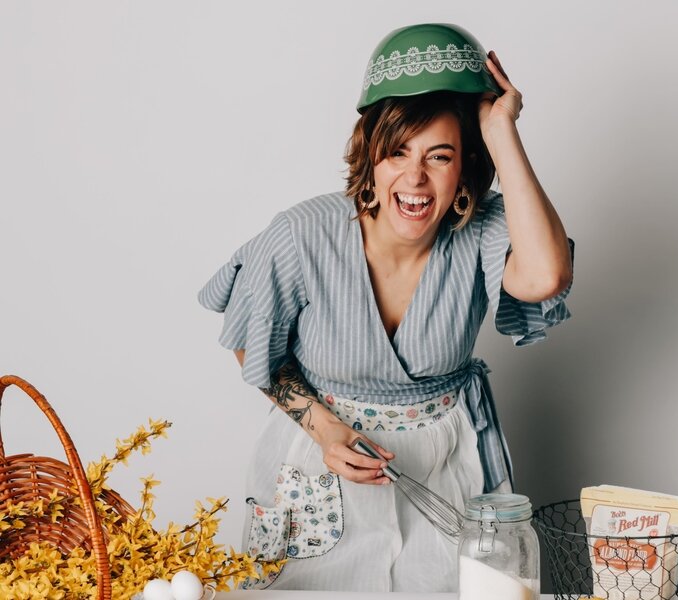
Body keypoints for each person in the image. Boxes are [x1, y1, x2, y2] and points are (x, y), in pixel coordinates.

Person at [198, 23, 573, 592]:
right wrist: (325, 429)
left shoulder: (481, 229)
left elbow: (545, 277)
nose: (415, 177)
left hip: (446, 476)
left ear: (464, 168)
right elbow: (254, 346)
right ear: (370, 155)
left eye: (440, 156)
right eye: (397, 152)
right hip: (320, 471)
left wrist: (500, 131)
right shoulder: (302, 235)